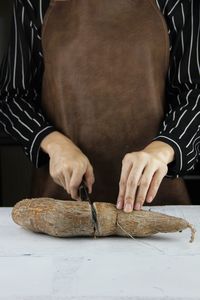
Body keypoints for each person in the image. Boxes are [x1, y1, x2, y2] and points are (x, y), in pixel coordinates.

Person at [0, 0, 199, 212]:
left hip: (157, 205)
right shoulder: (34, 3)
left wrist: (163, 149)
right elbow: (13, 96)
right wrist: (55, 144)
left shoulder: (177, 2)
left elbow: (194, 93)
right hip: (60, 206)